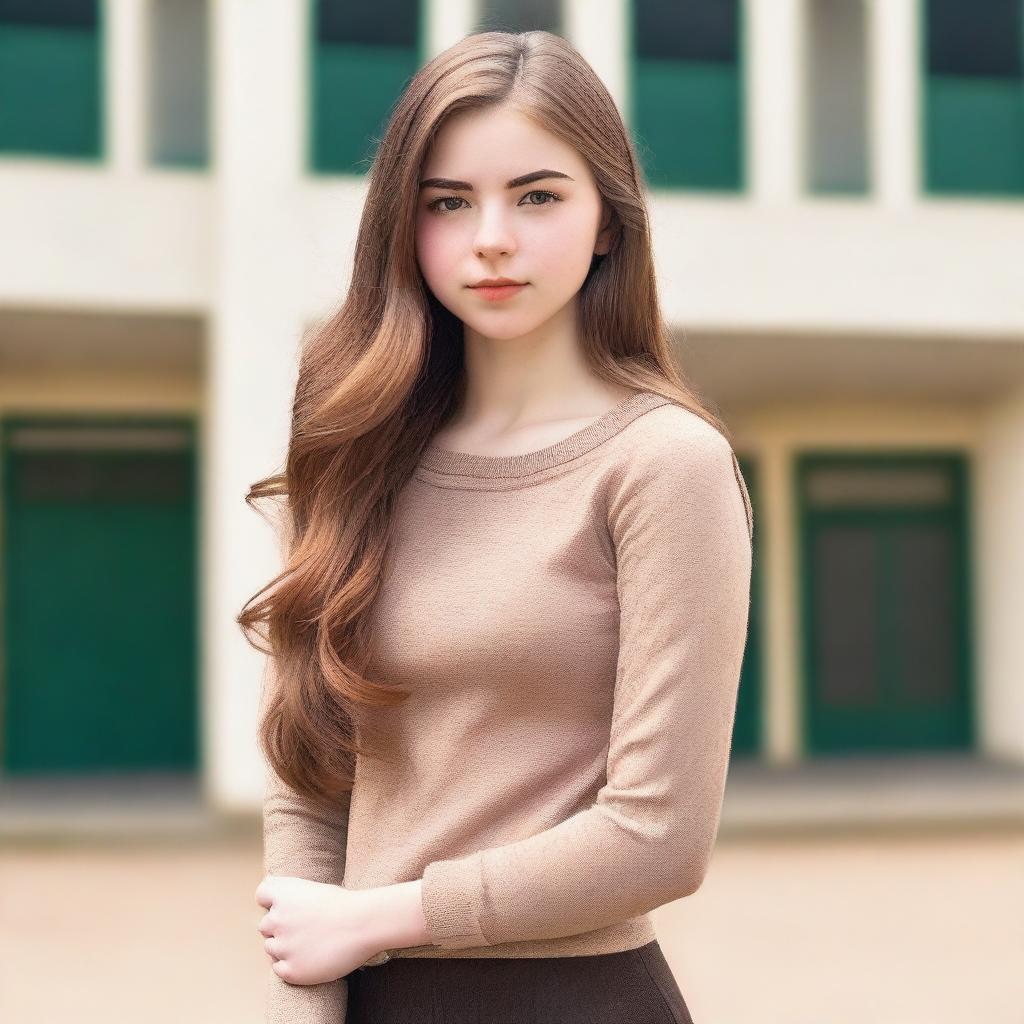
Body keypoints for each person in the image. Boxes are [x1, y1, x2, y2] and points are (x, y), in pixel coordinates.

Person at [244, 28, 754, 1024]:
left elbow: (659, 835)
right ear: (403, 221)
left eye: (537, 196)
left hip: (574, 997)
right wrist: (307, 1002)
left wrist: (381, 918)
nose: (491, 238)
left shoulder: (663, 466)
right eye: (448, 202)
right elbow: (309, 777)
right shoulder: (353, 449)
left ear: (608, 221)